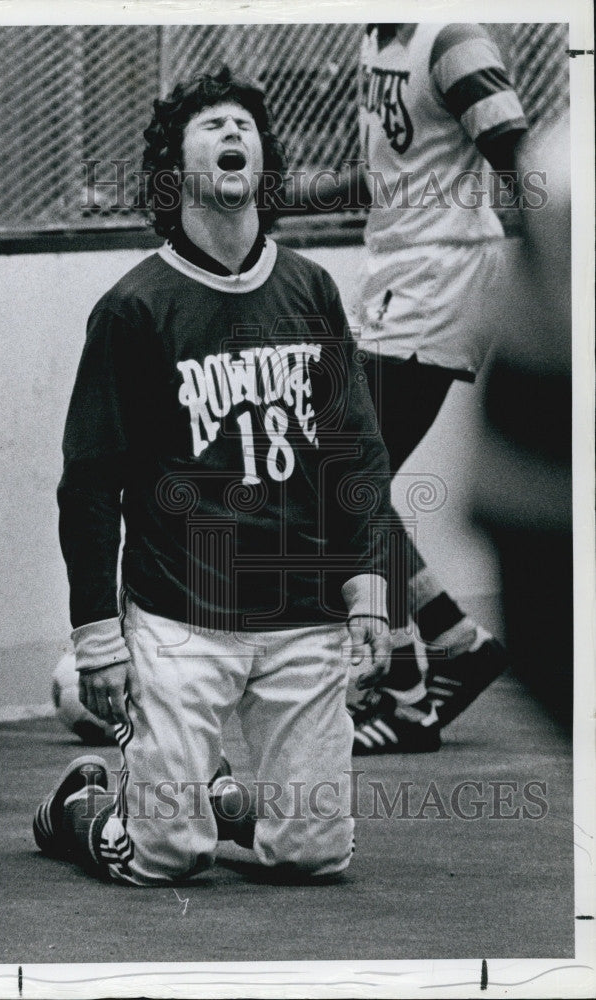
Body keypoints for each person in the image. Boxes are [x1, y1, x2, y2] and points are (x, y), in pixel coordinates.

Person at [33, 67, 392, 885]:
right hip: (179, 616)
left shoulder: (310, 289)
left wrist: (373, 578)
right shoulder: (134, 308)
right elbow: (89, 483)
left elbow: (356, 452)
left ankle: (219, 799)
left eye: (244, 125)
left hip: (303, 609)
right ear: (174, 169)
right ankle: (81, 807)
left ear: (263, 159)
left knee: (314, 855)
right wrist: (98, 638)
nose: (233, 135)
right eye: (211, 127)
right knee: (163, 859)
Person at [302, 23, 528, 753]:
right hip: (396, 277)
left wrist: (541, 294)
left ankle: (404, 693)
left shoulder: (450, 35)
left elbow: (517, 158)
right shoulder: (377, 40)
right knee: (344, 479)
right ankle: (456, 645)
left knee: (342, 478)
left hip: (443, 278)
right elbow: (394, 177)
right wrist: (280, 193)